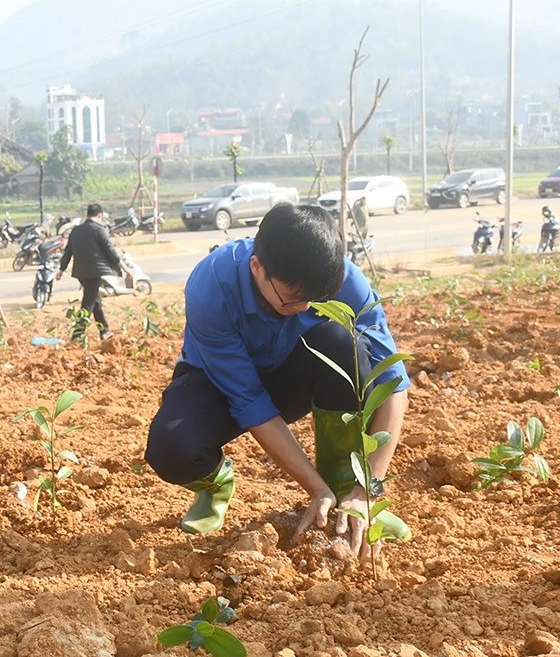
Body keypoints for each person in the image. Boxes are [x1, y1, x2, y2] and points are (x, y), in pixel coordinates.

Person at [144, 203, 409, 559]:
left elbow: (392, 380)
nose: (304, 308)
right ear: (257, 268)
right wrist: (314, 489)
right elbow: (249, 401)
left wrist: (368, 489)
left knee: (344, 343)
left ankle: (346, 489)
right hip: (216, 381)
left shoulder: (340, 279)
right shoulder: (212, 285)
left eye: (315, 300)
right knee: (171, 448)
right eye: (291, 301)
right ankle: (215, 483)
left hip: (295, 370)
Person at [56, 203, 127, 341]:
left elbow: (68, 252)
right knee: (88, 302)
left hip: (81, 273)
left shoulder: (76, 230)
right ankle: (78, 334)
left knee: (95, 300)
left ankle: (104, 331)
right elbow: (110, 251)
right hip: (95, 272)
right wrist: (125, 268)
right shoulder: (99, 230)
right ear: (99, 215)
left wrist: (61, 269)